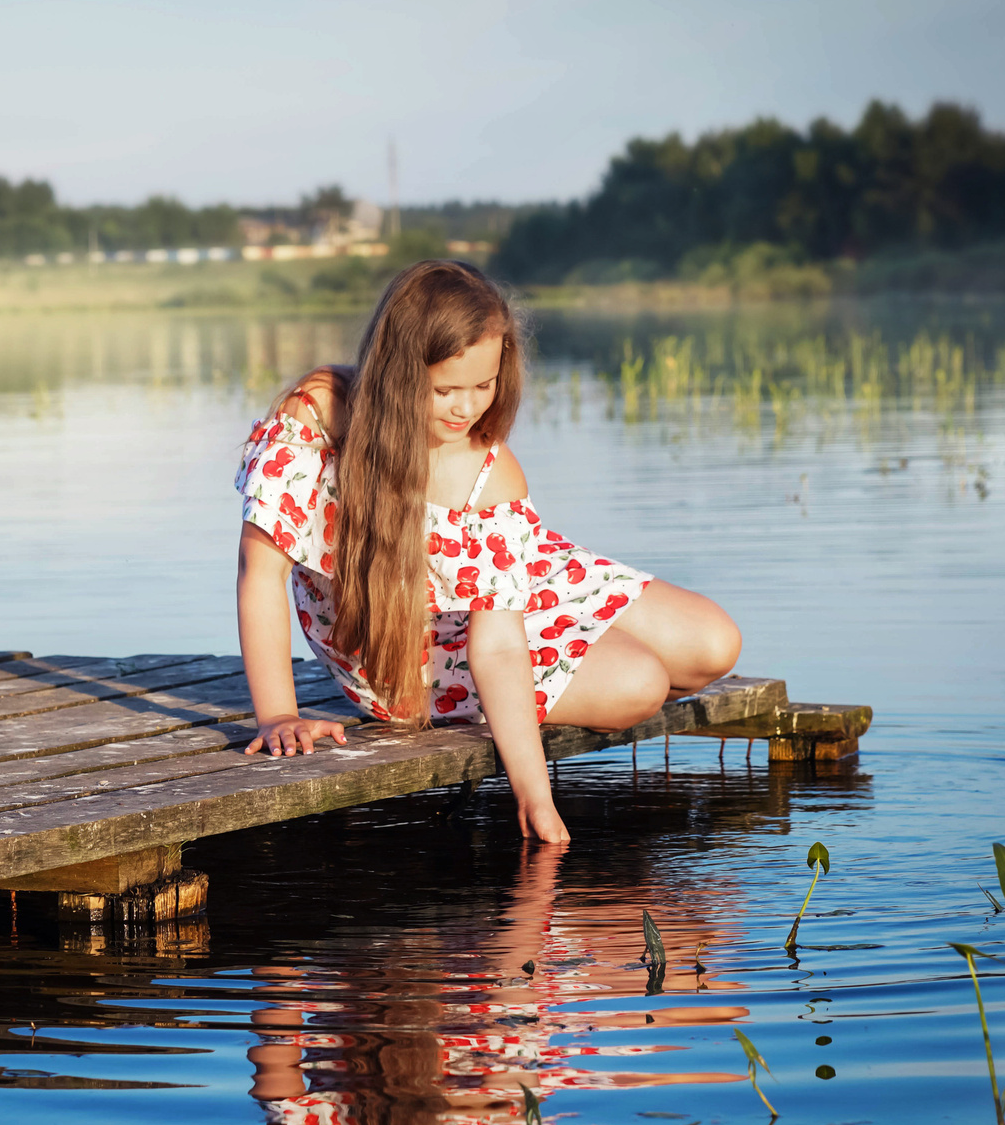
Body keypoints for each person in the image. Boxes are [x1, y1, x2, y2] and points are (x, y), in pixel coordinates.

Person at [233, 260, 740, 842]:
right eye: (445, 389)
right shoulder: (321, 414)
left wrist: (532, 789)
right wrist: (278, 713)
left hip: (489, 590)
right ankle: (576, 652)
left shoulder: (488, 473)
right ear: (397, 371)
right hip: (403, 646)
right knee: (640, 683)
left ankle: (568, 642)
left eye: (484, 385)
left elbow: (498, 639)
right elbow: (261, 570)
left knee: (713, 642)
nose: (466, 408)